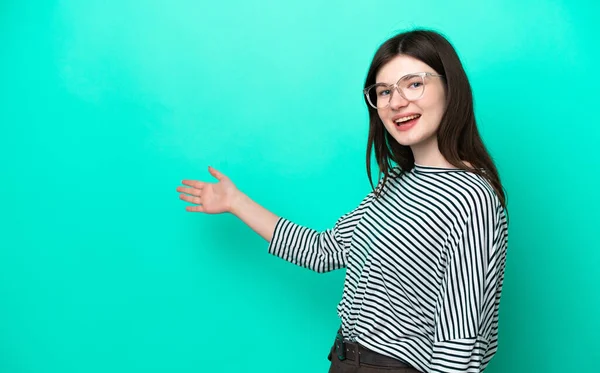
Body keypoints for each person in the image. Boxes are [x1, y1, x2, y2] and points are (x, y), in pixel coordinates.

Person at [176, 29, 509, 373]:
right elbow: (322, 251)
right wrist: (235, 201)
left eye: (413, 84)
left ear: (450, 88)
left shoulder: (471, 198)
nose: (396, 102)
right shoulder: (394, 185)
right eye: (384, 91)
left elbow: (460, 341)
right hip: (346, 360)